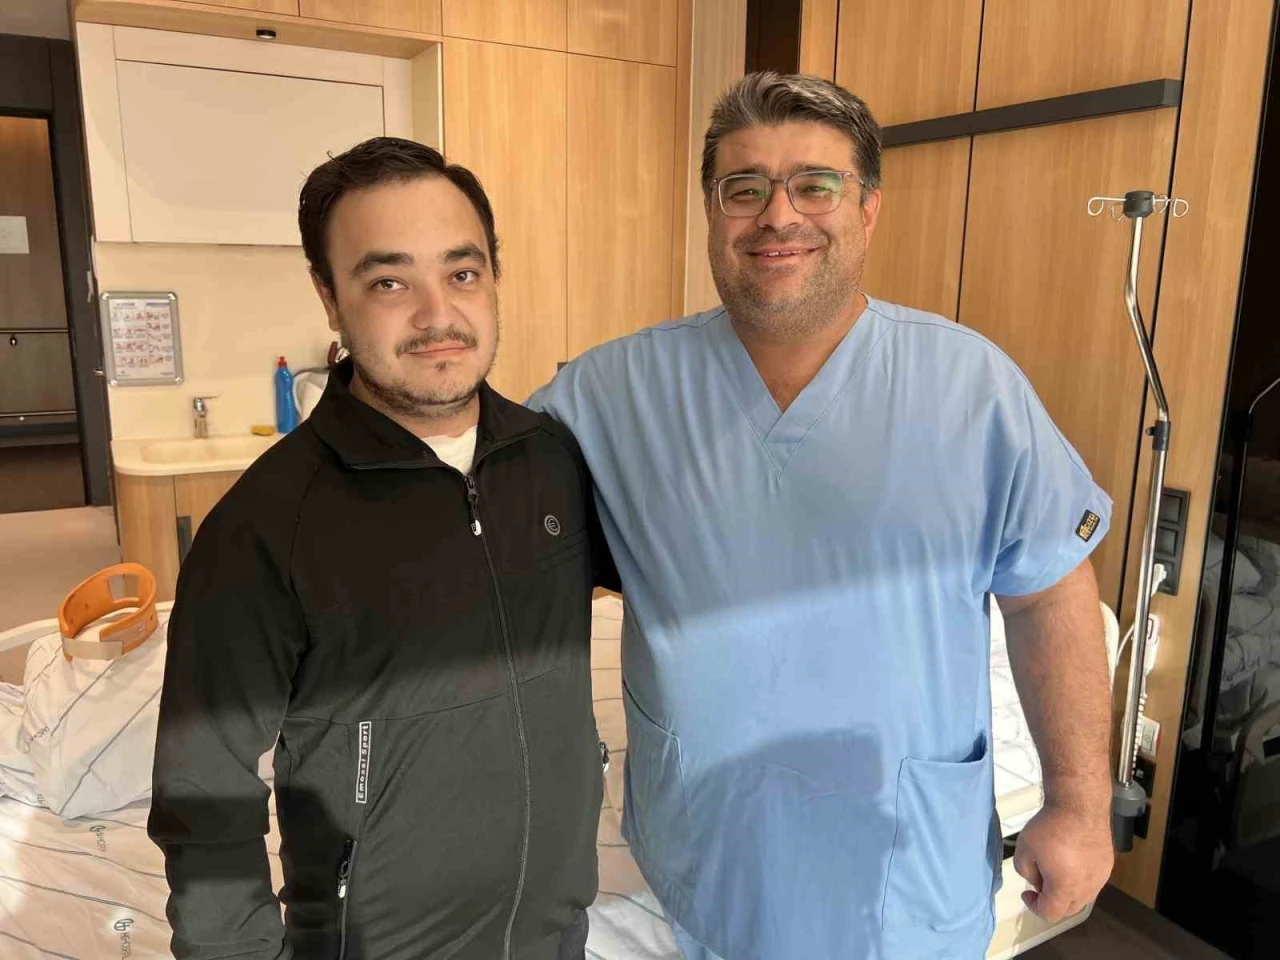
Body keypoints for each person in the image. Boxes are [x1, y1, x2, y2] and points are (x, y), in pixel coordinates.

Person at [528, 73, 1116, 959]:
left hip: (906, 870)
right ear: (711, 212)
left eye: (815, 185)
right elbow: (480, 531)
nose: (778, 216)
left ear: (868, 209)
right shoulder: (609, 394)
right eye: (744, 189)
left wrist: (1078, 803)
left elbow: (1049, 591)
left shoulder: (971, 387)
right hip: (702, 858)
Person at [149, 137, 617, 960]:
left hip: (554, 934)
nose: (438, 315)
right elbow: (203, 788)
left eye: (462, 273)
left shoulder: (552, 461)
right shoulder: (266, 526)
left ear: (493, 278)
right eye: (389, 282)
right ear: (329, 298)